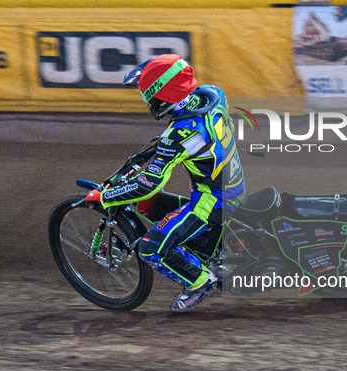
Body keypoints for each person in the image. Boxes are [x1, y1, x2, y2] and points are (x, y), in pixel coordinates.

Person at [86, 54, 245, 312]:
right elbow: (186, 135)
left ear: (163, 94)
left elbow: (148, 184)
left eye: (148, 94)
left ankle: (200, 282)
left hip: (212, 202)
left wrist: (105, 197)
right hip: (231, 186)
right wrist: (164, 145)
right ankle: (206, 248)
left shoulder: (179, 135)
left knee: (150, 249)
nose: (146, 101)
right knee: (150, 206)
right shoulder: (212, 96)